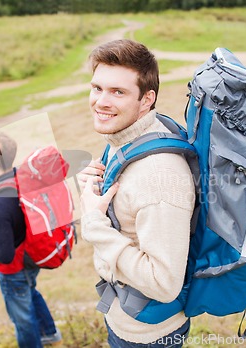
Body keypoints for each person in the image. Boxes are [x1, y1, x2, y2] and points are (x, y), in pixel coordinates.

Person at [78, 39, 196, 347]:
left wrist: (93, 222)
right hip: (127, 316)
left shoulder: (159, 176)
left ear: (147, 99)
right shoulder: (128, 138)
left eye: (118, 92)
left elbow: (164, 282)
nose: (101, 101)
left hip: (147, 335)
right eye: (97, 88)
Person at [0, 132, 62, 347]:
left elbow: (5, 255)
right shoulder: (23, 180)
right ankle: (49, 333)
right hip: (31, 258)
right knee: (29, 291)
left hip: (14, 268)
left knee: (22, 318)